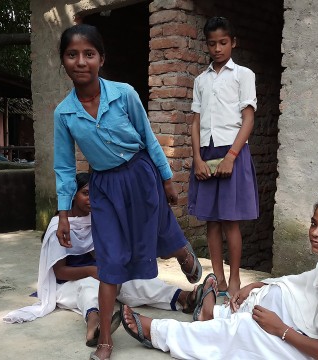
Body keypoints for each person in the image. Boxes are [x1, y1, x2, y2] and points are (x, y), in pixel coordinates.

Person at [53, 24, 202, 360]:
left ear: (101, 59)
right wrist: (63, 214)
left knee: (158, 227)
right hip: (104, 186)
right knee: (110, 261)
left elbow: (148, 138)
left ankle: (182, 254)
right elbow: (63, 167)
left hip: (140, 173)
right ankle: (106, 339)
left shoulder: (124, 94)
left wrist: (166, 179)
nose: (81, 61)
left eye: (88, 54)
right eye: (72, 54)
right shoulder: (63, 114)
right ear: (63, 61)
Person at [121, 196, 318, 360]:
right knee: (274, 294)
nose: (315, 232)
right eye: (313, 223)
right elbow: (303, 285)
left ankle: (161, 332)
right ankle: (212, 315)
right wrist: (260, 284)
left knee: (248, 330)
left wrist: (280, 329)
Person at [3, 173, 200, 346]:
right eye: (86, 193)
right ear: (72, 196)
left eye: (95, 194)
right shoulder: (59, 227)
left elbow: (104, 254)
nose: (91, 199)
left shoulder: (96, 218)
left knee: (131, 278)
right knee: (88, 287)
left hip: (98, 274)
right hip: (67, 285)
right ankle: (94, 325)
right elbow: (59, 272)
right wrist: (91, 271)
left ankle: (183, 298)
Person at [188, 16, 259, 300]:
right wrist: (197, 159)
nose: (217, 49)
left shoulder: (244, 75)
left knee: (231, 220)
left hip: (233, 151)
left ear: (233, 43)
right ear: (206, 44)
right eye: (212, 43)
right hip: (206, 152)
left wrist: (232, 155)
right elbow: (195, 122)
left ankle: (235, 278)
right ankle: (216, 277)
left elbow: (249, 119)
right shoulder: (200, 80)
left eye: (223, 43)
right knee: (212, 220)